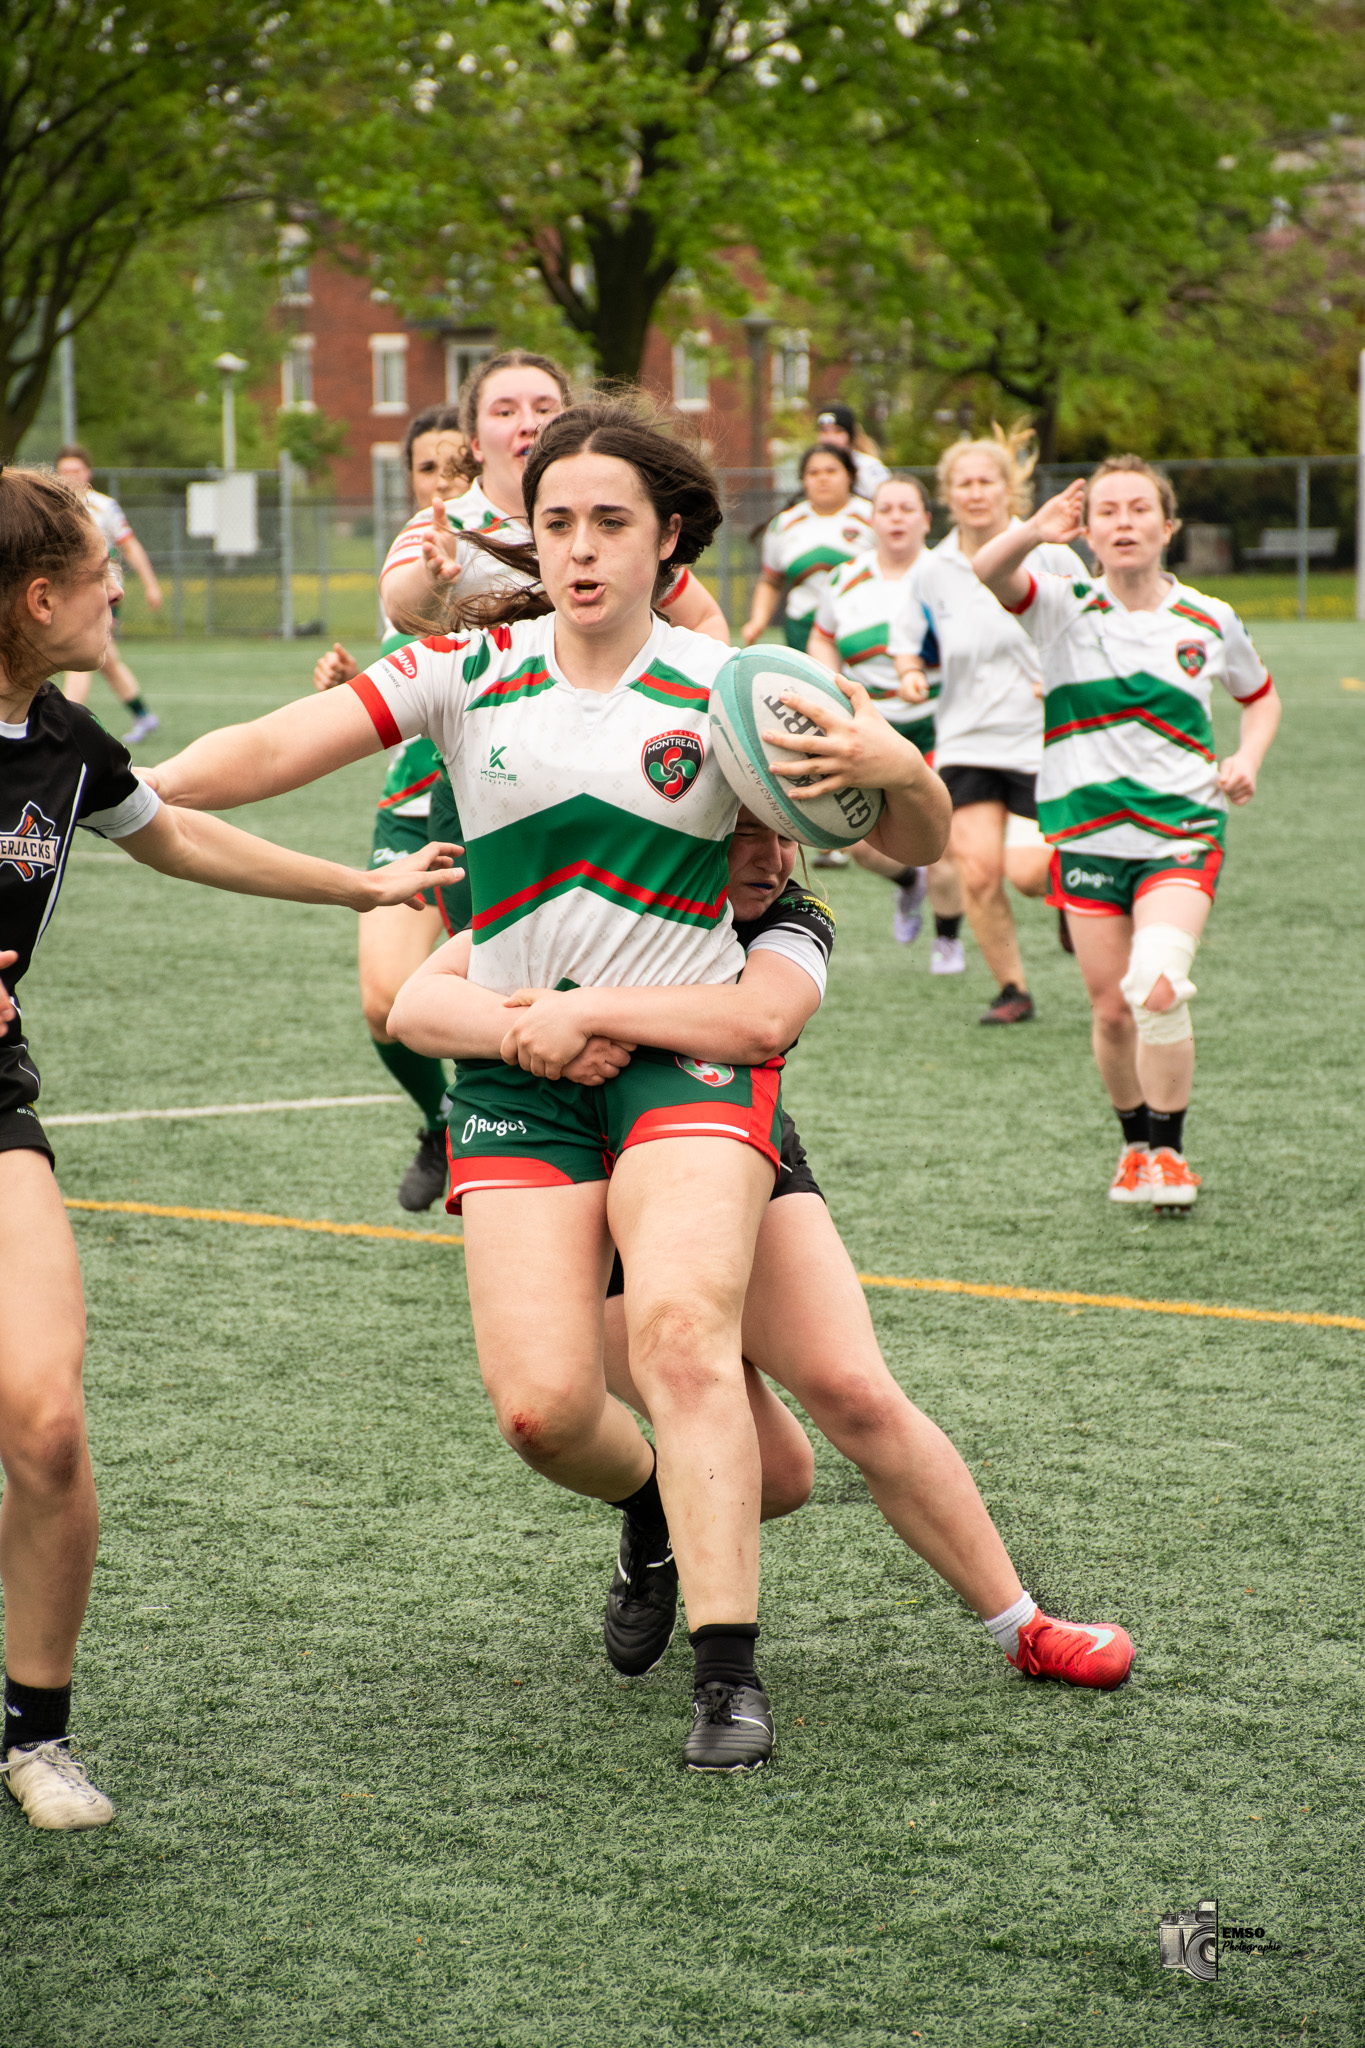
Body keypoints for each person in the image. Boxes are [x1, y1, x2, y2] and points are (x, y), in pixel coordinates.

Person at [144, 399, 951, 1771]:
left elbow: (901, 841)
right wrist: (132, 785)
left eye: (609, 523)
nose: (578, 549)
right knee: (541, 1411)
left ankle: (729, 1676)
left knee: (682, 1338)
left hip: (681, 1059)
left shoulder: (732, 689)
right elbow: (279, 743)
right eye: (556, 523)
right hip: (520, 1064)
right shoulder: (467, 665)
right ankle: (648, 1506)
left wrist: (897, 765)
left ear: (669, 537)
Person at [396, 809, 1136, 1705]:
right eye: (744, 833)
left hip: (723, 1153)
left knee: (846, 1402)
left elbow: (761, 1017)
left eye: (784, 837)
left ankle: (1024, 1625)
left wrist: (577, 1012)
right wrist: (522, 1031)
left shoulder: (792, 914)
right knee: (592, 1428)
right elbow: (414, 1006)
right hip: (563, 1169)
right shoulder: (578, 902)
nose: (772, 857)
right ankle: (652, 1510)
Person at [0, 466, 457, 1831]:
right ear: (38, 599)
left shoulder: (65, 742)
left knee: (47, 1426)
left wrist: (361, 886)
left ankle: (35, 1733)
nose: (120, 595)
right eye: (101, 577)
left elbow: (179, 834)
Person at [972, 455, 1280, 1207]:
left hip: (1182, 830)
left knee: (1157, 985)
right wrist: (1034, 530)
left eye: (1139, 509)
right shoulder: (1061, 604)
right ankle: (1135, 1146)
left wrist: (1246, 758)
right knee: (1112, 1011)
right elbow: (988, 570)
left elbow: (1260, 697)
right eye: (1106, 511)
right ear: (1086, 531)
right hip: (1087, 838)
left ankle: (1170, 1155)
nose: (1123, 522)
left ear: (1167, 526)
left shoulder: (1209, 617)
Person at [311, 405, 475, 1210]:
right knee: (385, 1005)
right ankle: (444, 1123)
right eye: (426, 468)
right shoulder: (405, 563)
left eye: (456, 465)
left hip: (497, 800)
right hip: (411, 805)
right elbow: (408, 689)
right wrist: (353, 689)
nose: (442, 482)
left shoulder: (516, 547)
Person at [891, 425, 1086, 1023]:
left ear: (1009, 489)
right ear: (948, 495)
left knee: (1027, 873)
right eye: (964, 483)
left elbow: (1091, 629)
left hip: (1040, 739)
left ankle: (1072, 893)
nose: (975, 493)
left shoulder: (1051, 553)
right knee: (977, 873)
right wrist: (910, 675)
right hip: (966, 741)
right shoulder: (931, 569)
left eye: (986, 481)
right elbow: (907, 643)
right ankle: (1013, 990)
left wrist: (1063, 674)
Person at [810, 475, 966, 973]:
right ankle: (908, 883)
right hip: (869, 727)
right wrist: (829, 684)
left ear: (926, 519)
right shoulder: (845, 578)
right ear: (872, 520)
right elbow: (822, 637)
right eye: (886, 509)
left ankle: (948, 940)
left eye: (907, 508)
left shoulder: (953, 577)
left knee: (943, 844)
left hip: (941, 726)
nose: (896, 518)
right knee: (860, 845)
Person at [54, 445, 162, 745]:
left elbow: (130, 546)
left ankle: (64, 726)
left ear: (88, 473)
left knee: (78, 651)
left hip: (101, 593)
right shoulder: (50, 507)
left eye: (76, 470)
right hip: (68, 593)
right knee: (106, 659)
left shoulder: (104, 507)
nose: (71, 476)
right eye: (64, 471)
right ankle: (143, 715)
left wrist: (151, 584)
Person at [742, 445, 873, 657]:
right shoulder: (784, 524)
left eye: (831, 471)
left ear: (850, 475)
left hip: (860, 628)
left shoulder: (873, 516)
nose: (823, 478)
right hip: (801, 630)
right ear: (803, 480)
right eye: (813, 472)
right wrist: (757, 621)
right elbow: (770, 581)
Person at [815, 403, 890, 501]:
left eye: (838, 431)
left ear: (850, 435)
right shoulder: (813, 466)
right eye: (824, 431)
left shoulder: (868, 466)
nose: (830, 438)